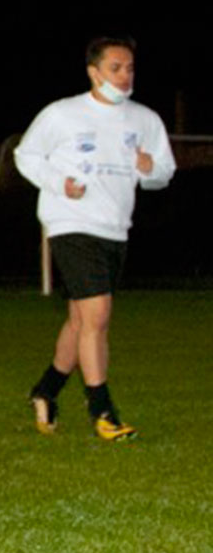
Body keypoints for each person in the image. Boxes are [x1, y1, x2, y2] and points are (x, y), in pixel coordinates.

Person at [15, 37, 175, 441]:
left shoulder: (145, 120)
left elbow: (163, 173)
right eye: (116, 68)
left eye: (130, 69)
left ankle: (46, 391)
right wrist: (59, 183)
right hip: (70, 223)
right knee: (98, 314)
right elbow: (26, 155)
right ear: (93, 72)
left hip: (115, 228)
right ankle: (102, 410)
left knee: (80, 320)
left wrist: (148, 167)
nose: (125, 76)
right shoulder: (62, 114)